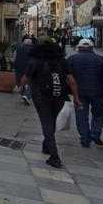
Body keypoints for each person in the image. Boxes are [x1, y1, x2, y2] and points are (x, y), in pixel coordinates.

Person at [20, 36, 81, 169]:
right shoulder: (61, 60)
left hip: (41, 96)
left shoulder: (35, 60)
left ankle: (54, 156)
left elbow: (25, 78)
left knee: (46, 122)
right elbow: (71, 80)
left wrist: (22, 88)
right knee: (51, 120)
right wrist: (76, 97)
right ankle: (47, 144)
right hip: (59, 95)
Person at [67, 38, 103, 147]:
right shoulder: (101, 60)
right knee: (99, 113)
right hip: (98, 94)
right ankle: (95, 133)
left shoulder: (71, 59)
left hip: (79, 94)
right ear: (92, 47)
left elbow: (67, 78)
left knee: (81, 115)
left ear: (79, 48)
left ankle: (85, 138)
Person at [13, 37, 35, 105]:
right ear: (31, 44)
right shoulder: (33, 50)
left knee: (19, 83)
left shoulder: (18, 49)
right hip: (29, 69)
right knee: (31, 84)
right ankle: (27, 96)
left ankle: (24, 95)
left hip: (18, 68)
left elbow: (14, 58)